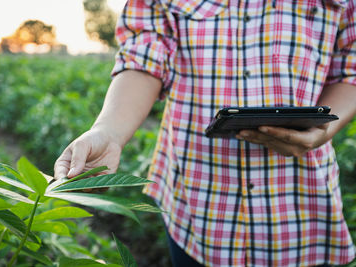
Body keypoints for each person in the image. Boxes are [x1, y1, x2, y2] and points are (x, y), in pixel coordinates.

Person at [54, 0, 356, 266]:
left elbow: (350, 72)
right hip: (197, 203)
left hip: (298, 206)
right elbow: (143, 61)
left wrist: (324, 127)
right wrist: (108, 132)